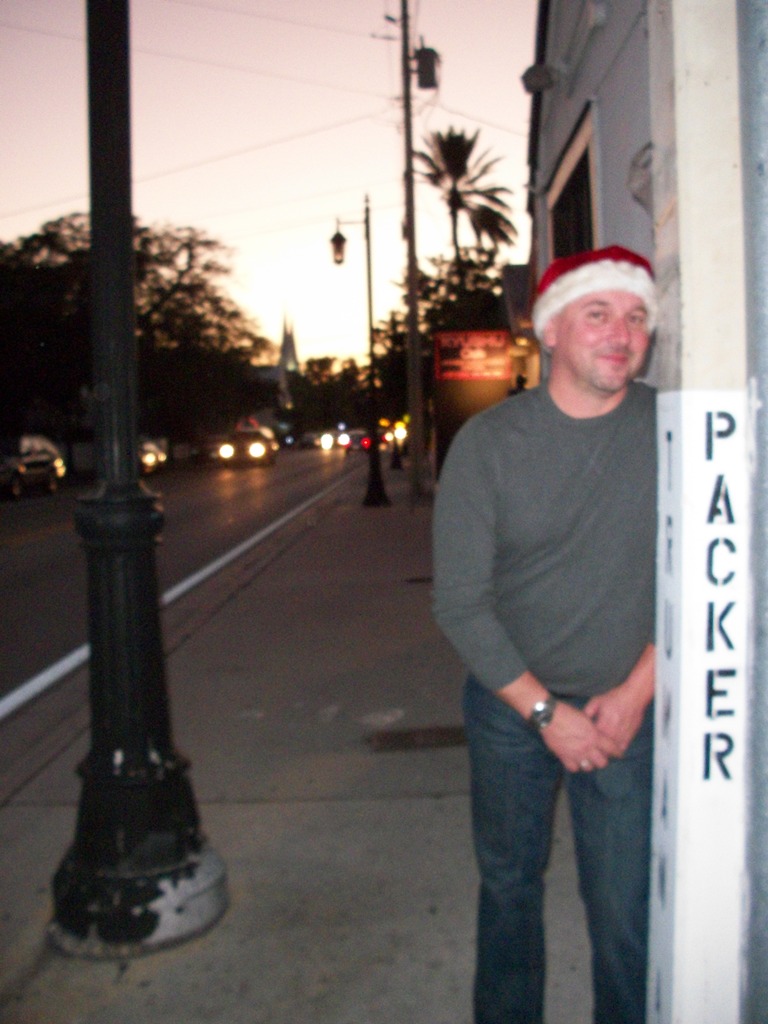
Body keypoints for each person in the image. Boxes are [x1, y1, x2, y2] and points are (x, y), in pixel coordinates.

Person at [433, 245, 658, 1024]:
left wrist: (636, 694)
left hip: (626, 710)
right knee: (509, 888)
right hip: (510, 708)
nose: (622, 334)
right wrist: (542, 713)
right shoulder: (489, 444)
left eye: (636, 318)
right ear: (550, 330)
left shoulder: (673, 430)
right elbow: (460, 603)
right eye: (599, 313)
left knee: (625, 909)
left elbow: (706, 573)